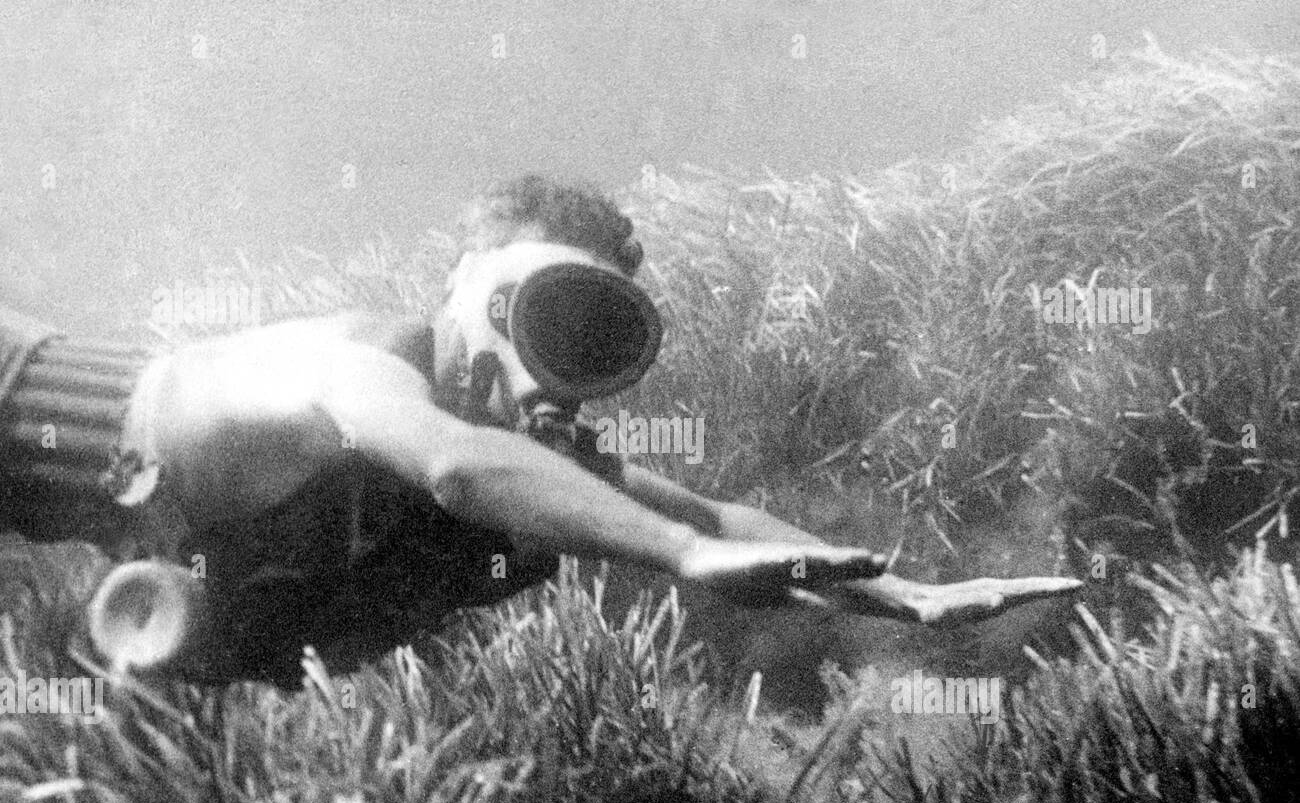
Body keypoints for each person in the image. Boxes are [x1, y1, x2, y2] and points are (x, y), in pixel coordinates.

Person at [0, 175, 1079, 685]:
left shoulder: (532, 456)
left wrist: (909, 597)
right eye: (541, 315)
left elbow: (716, 512)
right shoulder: (358, 372)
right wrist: (689, 557)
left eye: (594, 337)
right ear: (468, 289)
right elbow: (459, 468)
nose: (550, 370)